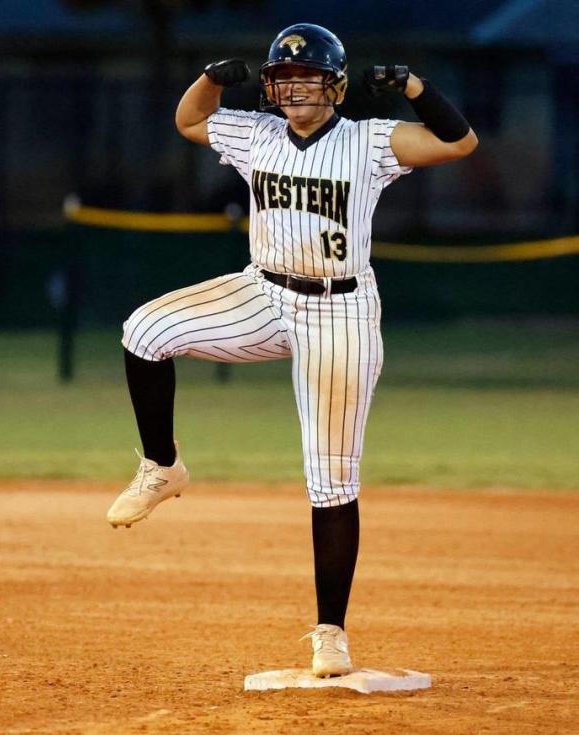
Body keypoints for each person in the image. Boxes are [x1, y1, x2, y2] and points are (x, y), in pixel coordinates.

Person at [106, 23, 477, 677]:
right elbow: (190, 121)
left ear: (334, 84)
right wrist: (212, 80)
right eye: (285, 77)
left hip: (340, 312)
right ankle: (162, 465)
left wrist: (416, 87)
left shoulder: (368, 141)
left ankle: (329, 633)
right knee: (144, 330)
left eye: (309, 78)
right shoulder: (257, 132)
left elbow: (459, 141)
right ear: (273, 86)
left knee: (330, 481)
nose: (296, 87)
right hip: (263, 292)